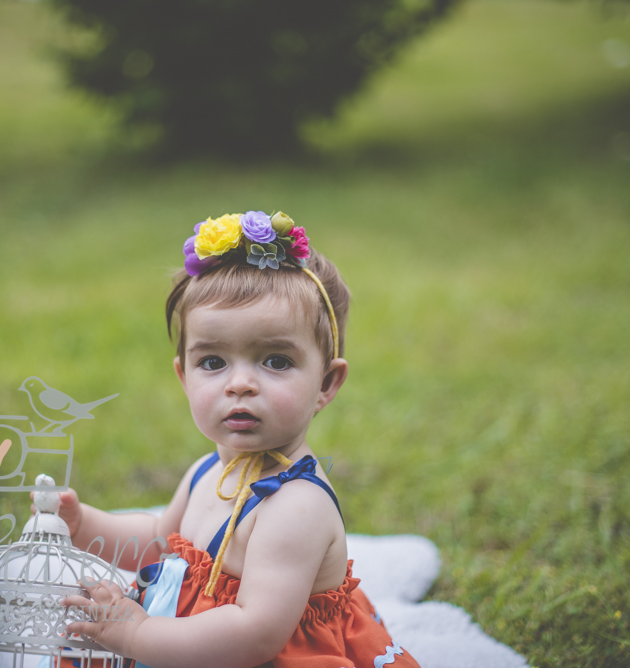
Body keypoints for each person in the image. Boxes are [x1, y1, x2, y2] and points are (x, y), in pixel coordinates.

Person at [51, 211, 419, 667]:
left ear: (326, 383)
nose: (240, 383)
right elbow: (157, 540)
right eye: (213, 362)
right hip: (194, 641)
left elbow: (253, 634)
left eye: (276, 361)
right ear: (184, 377)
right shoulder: (208, 470)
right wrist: (83, 525)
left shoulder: (295, 506)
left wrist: (139, 632)